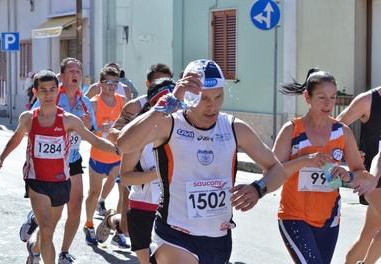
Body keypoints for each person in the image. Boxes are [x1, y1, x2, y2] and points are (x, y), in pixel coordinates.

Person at [116, 59, 287, 264]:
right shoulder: (169, 124)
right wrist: (167, 104)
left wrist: (259, 188)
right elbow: (124, 144)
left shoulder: (235, 128)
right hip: (174, 236)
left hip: (219, 239)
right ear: (188, 94)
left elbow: (278, 169)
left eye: (218, 97)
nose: (212, 106)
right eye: (204, 98)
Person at [0, 70, 119, 264]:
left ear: (57, 90)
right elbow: (16, 138)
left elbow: (94, 140)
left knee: (49, 226)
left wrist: (119, 150)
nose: (48, 95)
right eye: (43, 90)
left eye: (52, 90)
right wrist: (1, 158)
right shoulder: (28, 118)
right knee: (47, 229)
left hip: (60, 180)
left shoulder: (69, 120)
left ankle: (34, 249)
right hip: (36, 180)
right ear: (36, 92)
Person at [272, 68, 377, 264]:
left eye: (332, 97)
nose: (328, 103)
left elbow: (358, 172)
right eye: (322, 97)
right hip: (294, 216)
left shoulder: (342, 132)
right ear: (307, 97)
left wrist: (347, 175)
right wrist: (304, 160)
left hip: (328, 219)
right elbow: (270, 174)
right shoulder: (292, 130)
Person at [20, 58, 97, 264]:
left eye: (78, 71)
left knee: (76, 205)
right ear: (61, 76)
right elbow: (34, 120)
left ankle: (63, 252)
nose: (75, 74)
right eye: (70, 71)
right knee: (52, 220)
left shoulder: (85, 102)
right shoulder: (51, 94)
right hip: (49, 163)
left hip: (72, 160)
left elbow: (93, 132)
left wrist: (89, 127)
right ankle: (36, 240)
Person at [96, 78, 176, 263]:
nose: (173, 108)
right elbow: (124, 177)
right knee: (125, 228)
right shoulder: (138, 133)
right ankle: (111, 220)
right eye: (166, 102)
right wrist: (158, 173)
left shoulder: (183, 130)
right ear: (154, 103)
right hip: (144, 210)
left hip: (175, 211)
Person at [83, 66, 127, 246]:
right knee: (93, 193)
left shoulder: (122, 101)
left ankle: (118, 230)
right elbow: (85, 129)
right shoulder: (93, 103)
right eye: (108, 82)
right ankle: (89, 225)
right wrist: (97, 129)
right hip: (98, 155)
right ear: (100, 84)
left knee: (123, 194)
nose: (112, 86)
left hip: (118, 154)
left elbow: (130, 123)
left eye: (115, 82)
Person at [336, 86, 381, 263]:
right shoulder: (368, 100)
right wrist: (352, 151)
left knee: (368, 234)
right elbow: (337, 127)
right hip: (372, 180)